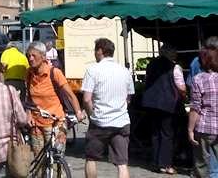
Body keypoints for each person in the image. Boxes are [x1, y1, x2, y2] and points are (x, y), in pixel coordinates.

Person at [82, 38, 135, 178]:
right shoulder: (124, 71)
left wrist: (91, 114)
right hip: (121, 121)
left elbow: (87, 99)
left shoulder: (92, 70)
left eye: (95, 50)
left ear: (100, 51)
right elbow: (129, 97)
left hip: (100, 121)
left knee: (91, 159)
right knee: (122, 163)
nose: (94, 53)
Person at [25, 41, 85, 156]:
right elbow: (28, 97)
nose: (30, 59)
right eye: (28, 56)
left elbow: (70, 95)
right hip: (36, 124)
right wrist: (28, 114)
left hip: (56, 122)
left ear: (43, 57)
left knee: (56, 159)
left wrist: (78, 112)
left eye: (33, 55)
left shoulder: (54, 73)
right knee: (39, 160)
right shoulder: (28, 73)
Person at [141, 44, 186, 174]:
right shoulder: (174, 67)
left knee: (155, 133)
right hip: (167, 103)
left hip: (151, 103)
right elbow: (181, 87)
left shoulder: (151, 65)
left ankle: (155, 162)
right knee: (167, 134)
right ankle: (166, 164)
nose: (176, 54)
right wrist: (183, 96)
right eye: (174, 52)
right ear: (170, 53)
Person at [189, 38, 218, 178]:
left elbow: (195, 108)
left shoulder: (198, 79)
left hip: (205, 127)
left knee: (202, 165)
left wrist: (189, 129)